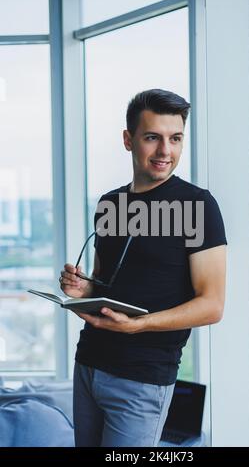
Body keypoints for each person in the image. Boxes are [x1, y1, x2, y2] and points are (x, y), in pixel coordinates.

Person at [59, 88, 227, 447]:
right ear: (128, 140)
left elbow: (212, 305)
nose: (165, 151)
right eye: (153, 137)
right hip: (88, 366)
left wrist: (141, 325)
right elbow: (105, 287)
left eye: (175, 138)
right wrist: (82, 290)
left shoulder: (198, 205)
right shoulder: (110, 204)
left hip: (142, 379)